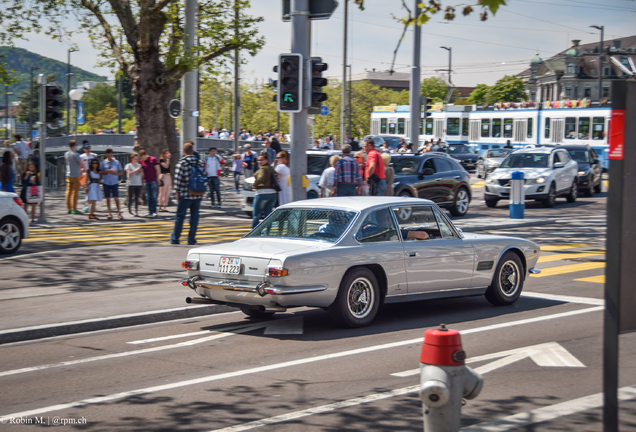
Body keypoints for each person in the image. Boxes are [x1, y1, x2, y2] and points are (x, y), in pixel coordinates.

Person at [171, 142, 205, 245]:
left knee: (180, 216)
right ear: (193, 151)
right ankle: (191, 239)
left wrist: (177, 191)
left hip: (185, 194)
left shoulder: (182, 163)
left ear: (183, 151)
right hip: (197, 193)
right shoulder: (199, 163)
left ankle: (176, 238)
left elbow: (177, 179)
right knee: (194, 217)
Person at [251, 153, 277, 228]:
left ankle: (254, 233)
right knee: (268, 215)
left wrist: (255, 185)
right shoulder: (271, 168)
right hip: (273, 194)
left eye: (261, 160)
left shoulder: (262, 169)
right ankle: (268, 232)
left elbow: (260, 178)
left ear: (267, 160)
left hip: (262, 194)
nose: (259, 161)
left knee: (256, 215)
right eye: (258, 160)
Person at [101, 148, 124, 220]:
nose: (109, 157)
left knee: (116, 198)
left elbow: (121, 172)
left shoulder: (117, 162)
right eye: (108, 155)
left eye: (110, 155)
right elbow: (101, 172)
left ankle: (119, 213)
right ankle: (109, 213)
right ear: (106, 155)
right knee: (108, 198)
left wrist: (115, 173)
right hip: (106, 182)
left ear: (112, 154)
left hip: (114, 182)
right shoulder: (103, 162)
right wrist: (106, 171)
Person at [139, 149, 160, 217]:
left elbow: (158, 169)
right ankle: (150, 211)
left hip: (153, 180)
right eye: (141, 158)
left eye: (143, 157)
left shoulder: (153, 159)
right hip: (146, 181)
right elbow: (142, 172)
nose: (143, 159)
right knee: (148, 197)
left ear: (145, 155)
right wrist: (141, 171)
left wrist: (158, 179)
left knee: (153, 196)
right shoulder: (141, 161)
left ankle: (154, 211)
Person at [64, 140, 83, 215]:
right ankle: (74, 209)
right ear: (74, 145)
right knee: (75, 192)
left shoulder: (66, 154)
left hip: (68, 174)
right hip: (76, 175)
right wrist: (83, 167)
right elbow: (81, 164)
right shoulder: (76, 154)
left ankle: (69, 208)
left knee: (68, 192)